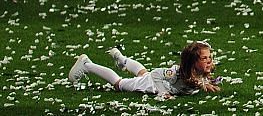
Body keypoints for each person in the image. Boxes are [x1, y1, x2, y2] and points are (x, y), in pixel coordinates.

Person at [68, 41, 221, 98]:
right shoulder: (176, 73)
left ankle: (121, 59)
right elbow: (156, 74)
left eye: (209, 57)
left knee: (143, 73)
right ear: (193, 62)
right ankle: (86, 64)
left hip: (154, 80)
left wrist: (204, 84)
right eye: (204, 58)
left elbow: (194, 80)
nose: (209, 61)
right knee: (119, 84)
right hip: (151, 84)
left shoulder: (198, 72)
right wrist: (163, 93)